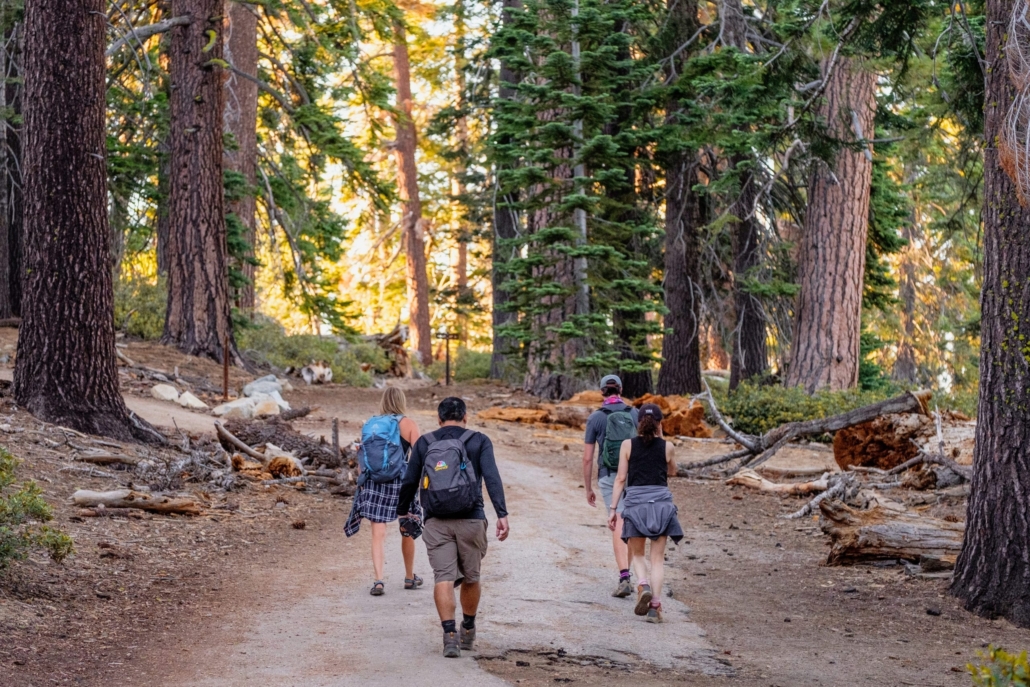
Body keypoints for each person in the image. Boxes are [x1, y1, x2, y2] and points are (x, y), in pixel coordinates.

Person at [397, 397, 509, 658]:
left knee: (443, 578)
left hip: (436, 521)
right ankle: (467, 627)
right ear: (465, 417)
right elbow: (492, 478)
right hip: (472, 518)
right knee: (472, 576)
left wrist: (403, 513)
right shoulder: (479, 440)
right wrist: (502, 514)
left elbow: (410, 480)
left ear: (439, 419)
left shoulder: (425, 442)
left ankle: (449, 635)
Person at [344, 387, 425, 596]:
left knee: (377, 533)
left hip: (374, 483)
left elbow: (363, 457)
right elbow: (419, 456)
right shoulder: (408, 424)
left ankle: (378, 581)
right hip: (401, 481)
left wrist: (362, 482)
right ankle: (409, 577)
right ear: (401, 401)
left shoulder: (371, 425)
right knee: (407, 526)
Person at [607, 403, 683, 623]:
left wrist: (613, 509)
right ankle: (655, 608)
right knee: (657, 559)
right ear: (659, 423)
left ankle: (642, 583)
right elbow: (673, 472)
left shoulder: (627, 445)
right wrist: (662, 438)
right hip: (661, 504)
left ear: (638, 422)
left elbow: (621, 479)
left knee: (638, 554)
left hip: (636, 504)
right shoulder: (667, 447)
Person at [582, 374, 639, 598]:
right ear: (621, 390)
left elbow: (587, 458)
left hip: (608, 476)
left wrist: (588, 488)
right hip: (634, 476)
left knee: (619, 522)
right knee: (630, 523)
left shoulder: (596, 418)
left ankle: (625, 575)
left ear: (602, 392)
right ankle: (630, 574)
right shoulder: (634, 413)